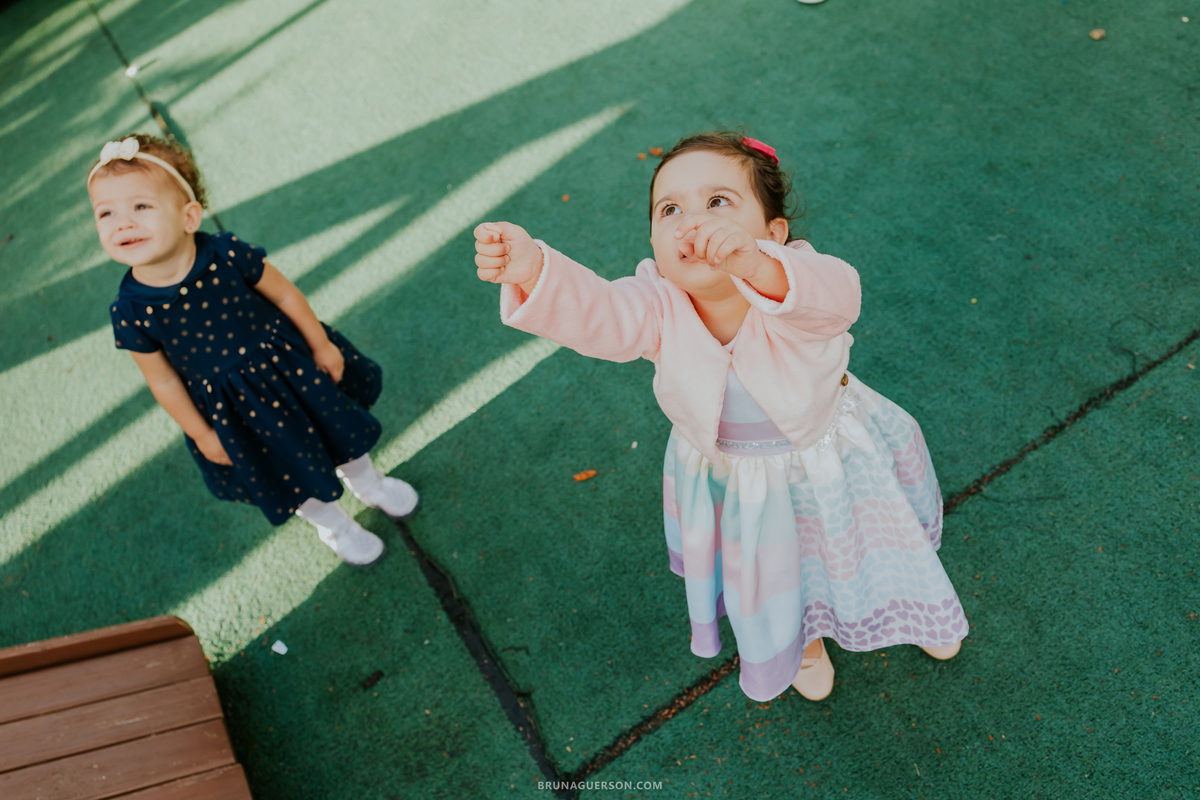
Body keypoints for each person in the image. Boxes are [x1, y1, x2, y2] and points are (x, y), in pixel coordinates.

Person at [473, 131, 965, 702]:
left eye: (718, 202)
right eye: (670, 209)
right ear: (655, 239)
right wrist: (535, 268)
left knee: (864, 550)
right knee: (781, 577)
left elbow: (840, 298)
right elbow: (600, 315)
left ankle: (915, 608)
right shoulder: (655, 304)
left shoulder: (794, 283)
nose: (692, 223)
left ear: (775, 233)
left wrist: (757, 265)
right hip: (738, 483)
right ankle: (803, 645)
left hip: (829, 462)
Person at [88, 134, 417, 567]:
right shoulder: (131, 310)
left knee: (338, 431)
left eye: (141, 207)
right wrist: (202, 433)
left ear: (189, 216)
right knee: (282, 470)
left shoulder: (225, 253)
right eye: (106, 213)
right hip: (236, 410)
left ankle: (368, 483)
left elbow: (284, 296)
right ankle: (334, 527)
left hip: (291, 368)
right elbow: (162, 378)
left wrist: (320, 343)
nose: (122, 223)